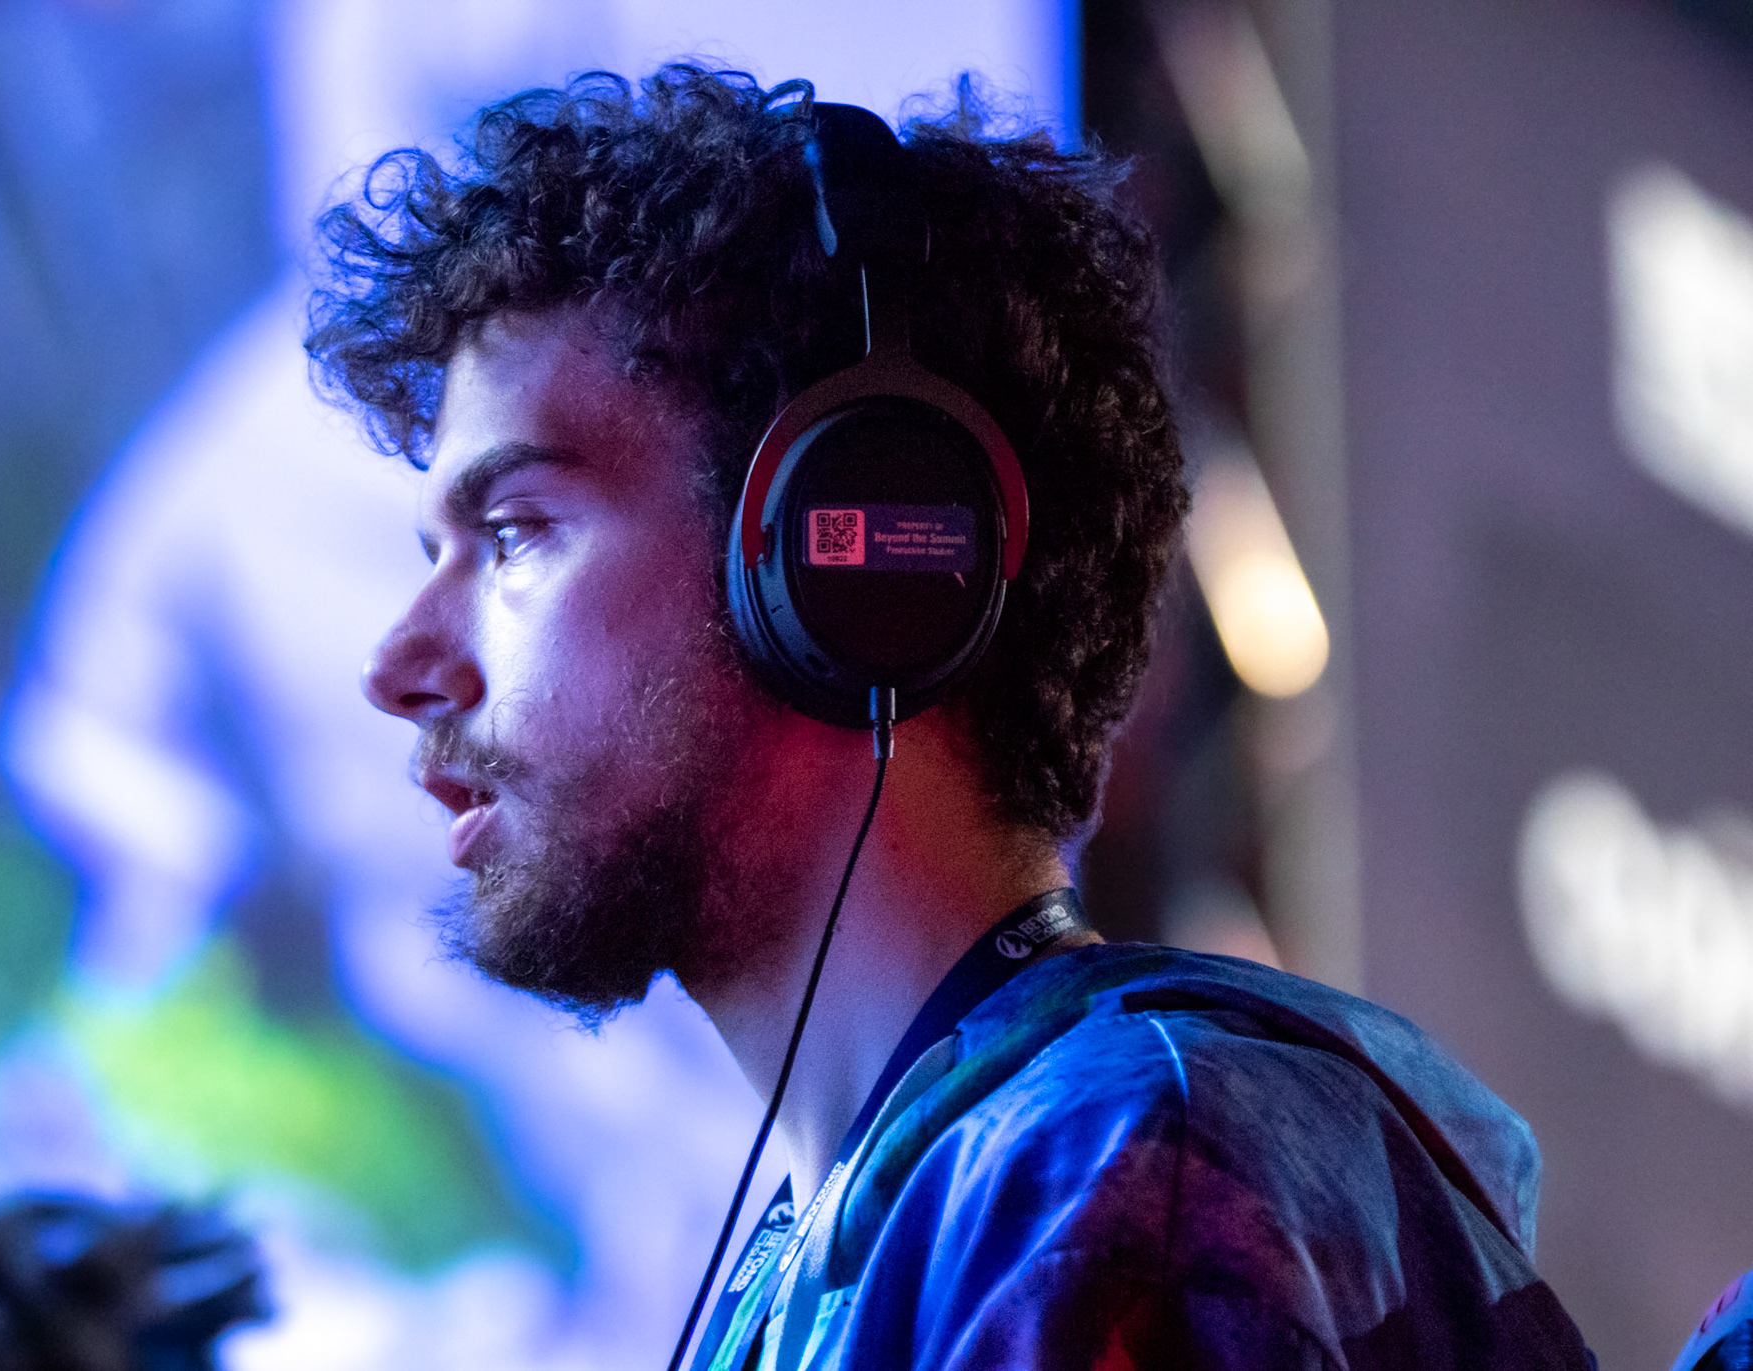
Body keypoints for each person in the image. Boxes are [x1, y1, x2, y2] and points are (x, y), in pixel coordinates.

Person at [307, 63, 1592, 1370]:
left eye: (515, 532)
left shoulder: (1114, 1176)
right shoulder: (871, 1243)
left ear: (847, 549)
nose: (399, 661)